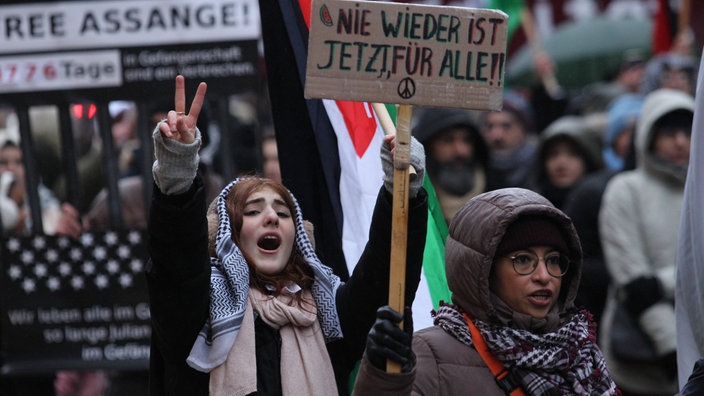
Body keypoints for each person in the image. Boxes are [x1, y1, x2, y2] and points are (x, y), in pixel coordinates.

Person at [146, 75, 428, 396]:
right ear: (230, 237)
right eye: (253, 212)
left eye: (283, 213)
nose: (271, 217)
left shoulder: (326, 311)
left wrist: (402, 192)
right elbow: (176, 263)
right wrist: (178, 175)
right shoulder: (199, 308)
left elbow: (385, 279)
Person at [352, 187, 619, 395]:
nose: (544, 276)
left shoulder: (580, 352)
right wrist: (384, 377)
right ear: (484, 271)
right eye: (523, 260)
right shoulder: (428, 353)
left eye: (553, 260)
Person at [599, 88, 694, 395]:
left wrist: (662, 282)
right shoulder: (625, 190)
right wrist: (671, 347)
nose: (680, 141)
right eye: (669, 133)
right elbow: (635, 284)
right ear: (648, 135)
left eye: (687, 131)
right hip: (638, 362)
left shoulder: (700, 192)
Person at [412, 107, 488, 224]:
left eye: (467, 140)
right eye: (448, 140)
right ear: (427, 146)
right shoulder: (411, 203)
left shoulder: (497, 189)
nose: (460, 151)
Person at [531, 115, 603, 209]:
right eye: (553, 154)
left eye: (573, 154)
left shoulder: (603, 202)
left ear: (589, 158)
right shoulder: (533, 205)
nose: (561, 164)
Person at [480, 90, 539, 191]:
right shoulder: (477, 168)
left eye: (506, 126)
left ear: (523, 130)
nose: (496, 136)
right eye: (490, 127)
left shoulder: (540, 169)